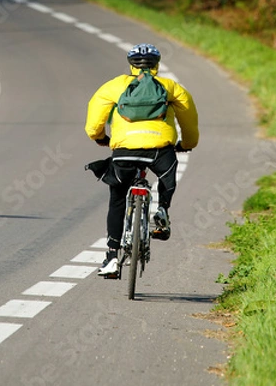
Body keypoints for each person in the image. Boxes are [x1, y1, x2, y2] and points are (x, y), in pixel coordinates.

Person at [85, 43, 199, 276]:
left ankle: (111, 257)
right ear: (157, 64)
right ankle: (163, 211)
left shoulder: (115, 86)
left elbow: (94, 120)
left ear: (131, 64)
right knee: (167, 179)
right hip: (160, 150)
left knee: (117, 198)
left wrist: (99, 138)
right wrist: (187, 144)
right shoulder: (170, 87)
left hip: (124, 151)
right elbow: (189, 119)